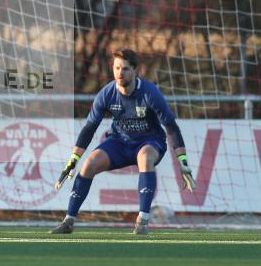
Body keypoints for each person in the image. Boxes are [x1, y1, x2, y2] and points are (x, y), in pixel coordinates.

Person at [50, 49, 195, 235]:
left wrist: (183, 161)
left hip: (149, 141)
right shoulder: (107, 93)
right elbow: (89, 128)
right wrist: (73, 160)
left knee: (145, 157)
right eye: (117, 68)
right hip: (119, 142)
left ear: (135, 70)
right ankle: (68, 221)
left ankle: (142, 222)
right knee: (89, 164)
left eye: (125, 69)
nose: (120, 72)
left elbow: (171, 127)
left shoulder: (150, 93)